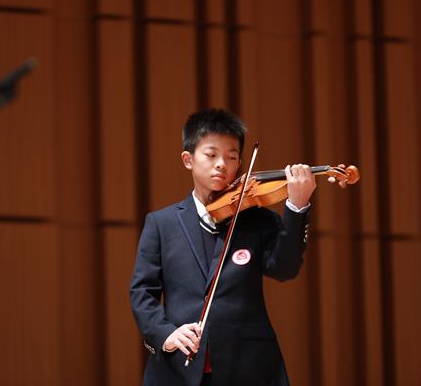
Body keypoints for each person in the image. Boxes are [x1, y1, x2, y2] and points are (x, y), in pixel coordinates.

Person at [130, 108, 317, 386]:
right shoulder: (162, 223)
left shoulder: (257, 219)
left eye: (231, 157)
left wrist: (297, 206)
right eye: (211, 154)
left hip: (249, 367)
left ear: (240, 162)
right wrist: (165, 334)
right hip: (178, 368)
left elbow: (285, 268)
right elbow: (142, 292)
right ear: (188, 159)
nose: (222, 164)